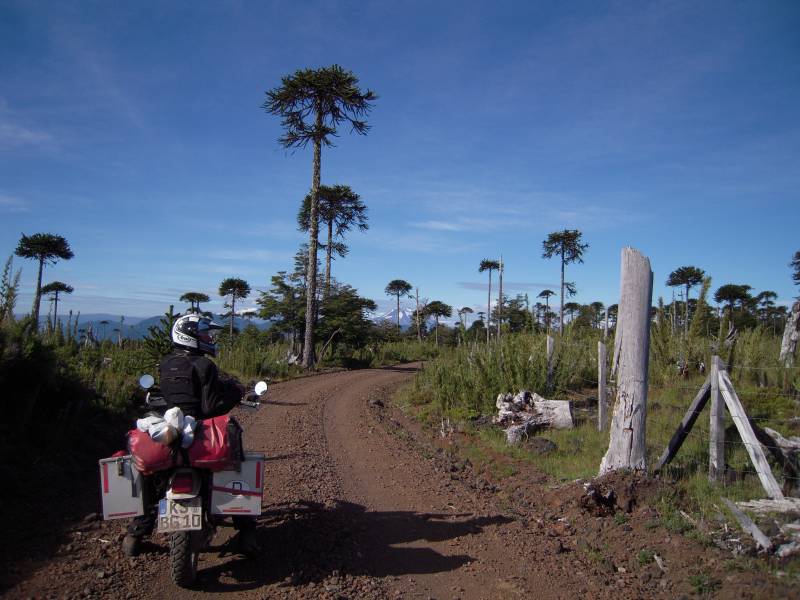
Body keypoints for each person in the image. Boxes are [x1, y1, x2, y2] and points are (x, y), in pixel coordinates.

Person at [122, 314, 260, 558]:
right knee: (235, 465)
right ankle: (246, 528)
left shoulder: (166, 364)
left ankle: (137, 531)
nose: (208, 338)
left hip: (169, 433)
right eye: (204, 334)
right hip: (199, 433)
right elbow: (210, 407)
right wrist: (234, 393)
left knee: (148, 476)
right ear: (190, 336)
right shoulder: (204, 365)